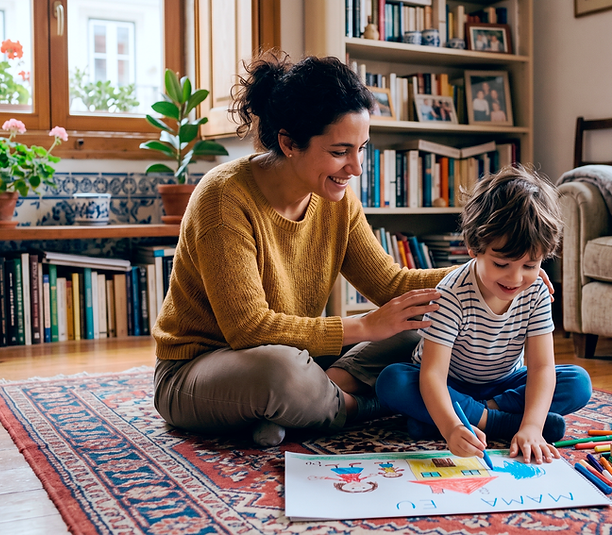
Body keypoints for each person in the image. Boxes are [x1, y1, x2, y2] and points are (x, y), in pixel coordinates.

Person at [151, 51, 455, 447]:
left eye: (362, 148)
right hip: (200, 369)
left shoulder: (337, 199)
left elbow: (390, 282)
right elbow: (248, 329)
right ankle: (362, 405)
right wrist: (365, 326)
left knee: (422, 331)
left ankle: (311, 402)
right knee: (281, 371)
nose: (356, 168)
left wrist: (485, 276)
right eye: (339, 151)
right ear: (289, 143)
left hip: (303, 357)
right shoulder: (223, 197)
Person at [375, 166, 592, 465]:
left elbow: (542, 368)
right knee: (393, 381)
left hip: (504, 384)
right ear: (474, 248)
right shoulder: (452, 293)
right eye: (502, 264)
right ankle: (498, 423)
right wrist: (452, 428)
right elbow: (433, 375)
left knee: (578, 382)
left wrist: (531, 426)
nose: (515, 278)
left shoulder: (537, 291)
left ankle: (464, 419)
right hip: (452, 383)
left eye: (530, 265)